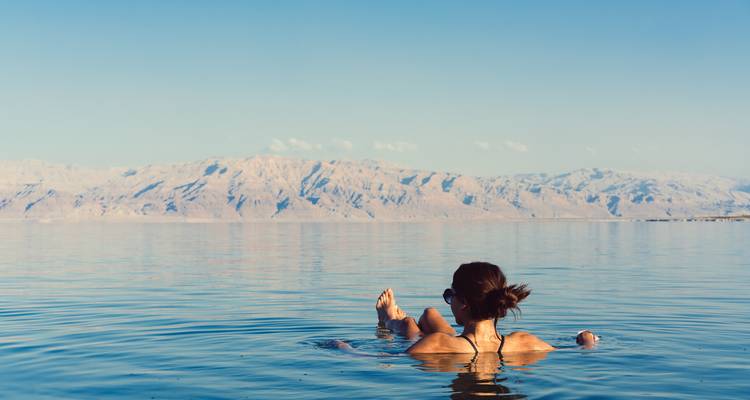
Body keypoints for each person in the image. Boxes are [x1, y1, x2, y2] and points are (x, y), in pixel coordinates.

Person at [376, 261, 584, 354]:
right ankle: (399, 320)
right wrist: (586, 338)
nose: (450, 302)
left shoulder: (435, 343)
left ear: (464, 302)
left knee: (412, 328)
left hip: (457, 344)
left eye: (450, 296)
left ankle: (390, 320)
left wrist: (342, 345)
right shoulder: (525, 341)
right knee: (430, 313)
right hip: (467, 342)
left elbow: (367, 356)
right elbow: (576, 349)